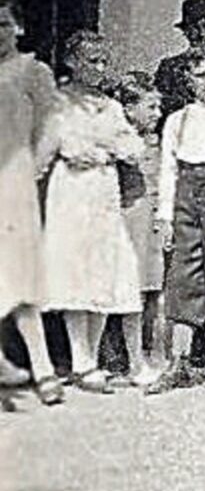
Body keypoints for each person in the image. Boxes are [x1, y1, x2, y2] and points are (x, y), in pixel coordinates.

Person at [40, 30, 144, 393]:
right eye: (92, 61)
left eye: (104, 62)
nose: (99, 68)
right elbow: (68, 147)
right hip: (72, 191)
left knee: (105, 268)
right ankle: (81, 360)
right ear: (73, 62)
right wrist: (103, 145)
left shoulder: (110, 105)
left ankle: (93, 360)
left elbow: (133, 146)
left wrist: (110, 146)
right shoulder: (58, 101)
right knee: (76, 269)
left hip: (103, 192)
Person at [147, 49, 205, 396]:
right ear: (189, 79)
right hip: (186, 197)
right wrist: (165, 216)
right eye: (201, 75)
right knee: (183, 276)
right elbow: (168, 170)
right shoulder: (177, 120)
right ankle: (179, 362)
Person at [0, 0, 64, 407]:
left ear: (19, 27)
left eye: (4, 24)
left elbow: (51, 128)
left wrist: (32, 171)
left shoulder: (32, 70)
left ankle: (43, 368)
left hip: (14, 183)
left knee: (19, 274)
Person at [117, 71, 167, 383]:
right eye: (150, 107)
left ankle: (151, 352)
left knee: (153, 288)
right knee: (132, 289)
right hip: (131, 216)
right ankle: (132, 358)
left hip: (153, 217)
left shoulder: (157, 140)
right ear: (129, 108)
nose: (157, 113)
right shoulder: (122, 142)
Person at [155, 0, 205, 119]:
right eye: (194, 28)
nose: (202, 34)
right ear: (186, 32)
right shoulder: (169, 69)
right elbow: (160, 108)